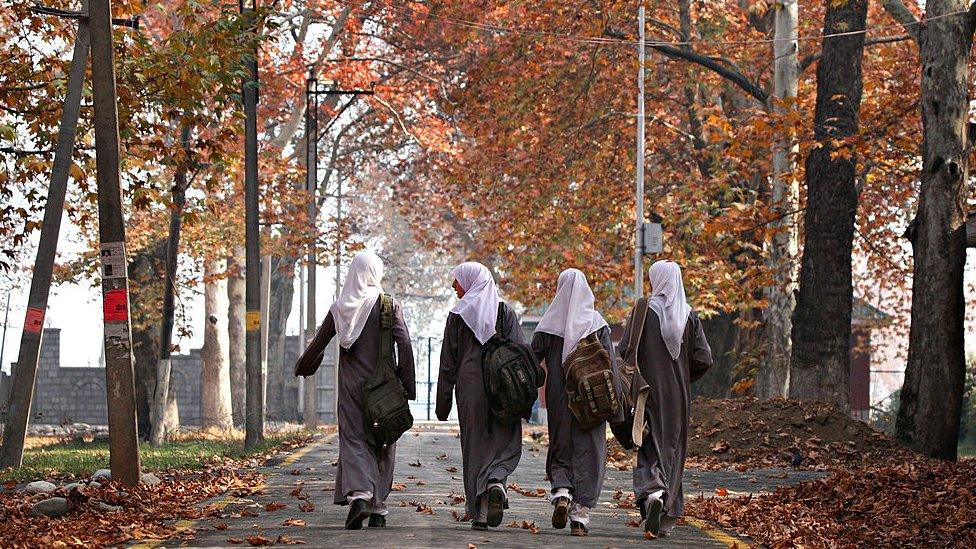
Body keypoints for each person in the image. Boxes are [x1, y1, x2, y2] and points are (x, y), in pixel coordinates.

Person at [294, 251, 415, 530]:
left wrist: (303, 366)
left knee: (354, 440)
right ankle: (377, 508)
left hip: (350, 388)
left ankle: (359, 496)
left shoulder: (340, 307)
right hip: (384, 387)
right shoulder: (388, 305)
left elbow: (319, 343)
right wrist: (407, 383)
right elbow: (405, 344)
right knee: (384, 441)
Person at [617, 260, 712, 538]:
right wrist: (683, 376)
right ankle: (666, 512)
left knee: (648, 444)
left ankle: (653, 492)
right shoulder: (689, 315)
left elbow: (624, 350)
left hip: (646, 392)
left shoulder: (642, 310)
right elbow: (704, 358)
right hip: (679, 396)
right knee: (672, 449)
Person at [531, 268, 624, 537]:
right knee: (590, 451)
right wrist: (616, 405)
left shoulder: (549, 324)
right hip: (592, 400)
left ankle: (561, 492)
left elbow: (532, 361)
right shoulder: (597, 324)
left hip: (560, 399)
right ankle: (581, 515)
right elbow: (611, 367)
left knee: (561, 446)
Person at [436, 261, 526, 531]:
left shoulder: (457, 316)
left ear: (471, 281)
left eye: (457, 280)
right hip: (503, 388)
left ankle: (481, 513)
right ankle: (497, 481)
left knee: (475, 448)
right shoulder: (504, 311)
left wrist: (443, 402)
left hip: (471, 388)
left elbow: (447, 363)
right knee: (505, 440)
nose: (454, 286)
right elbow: (521, 351)